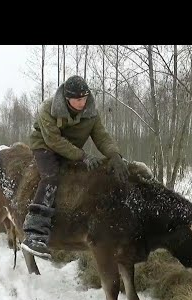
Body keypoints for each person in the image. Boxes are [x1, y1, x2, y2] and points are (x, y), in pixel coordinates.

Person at [20, 75, 129, 259]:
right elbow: (53, 140)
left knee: (87, 177)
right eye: (78, 99)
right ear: (67, 98)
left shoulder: (91, 112)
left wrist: (115, 155)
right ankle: (34, 232)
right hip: (45, 146)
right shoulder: (48, 108)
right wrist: (82, 156)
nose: (82, 103)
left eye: (85, 98)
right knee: (51, 176)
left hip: (72, 149)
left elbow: (102, 137)